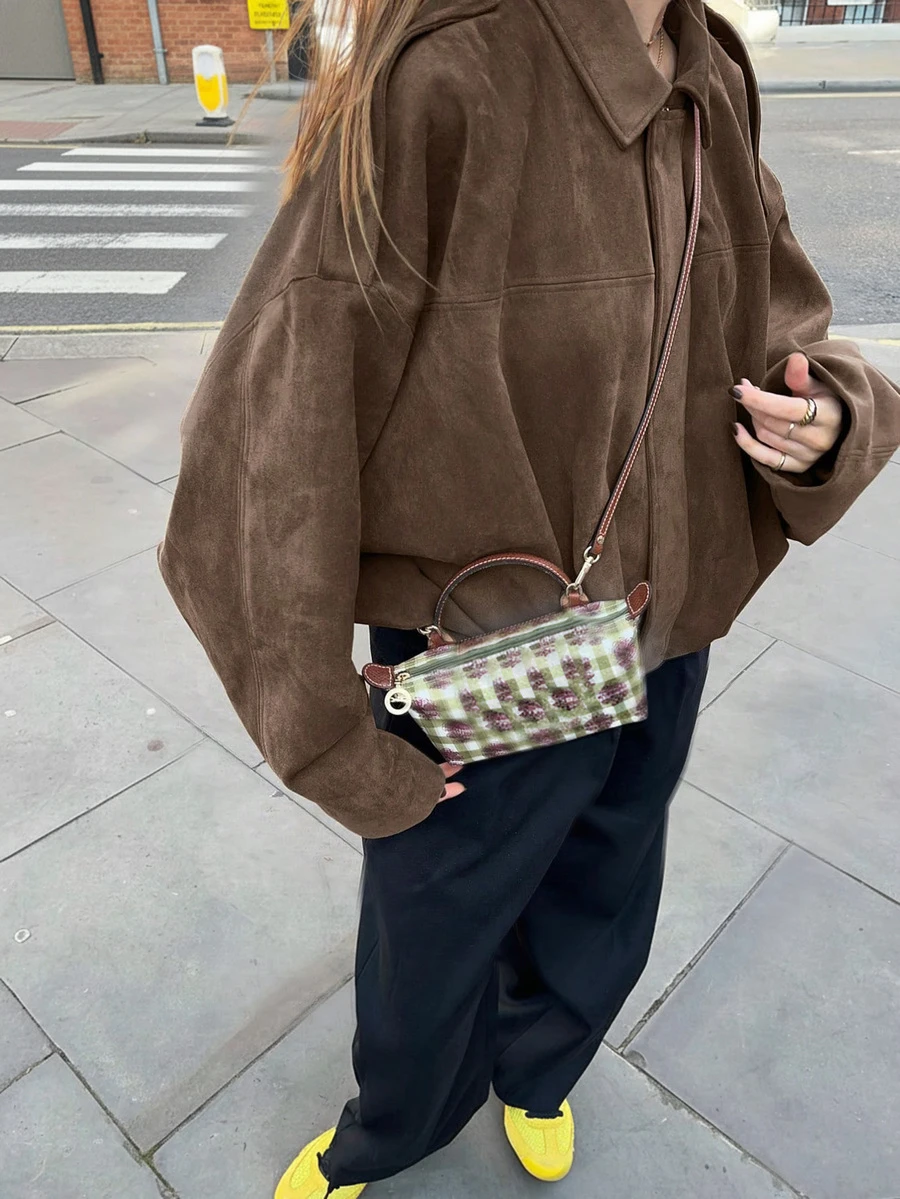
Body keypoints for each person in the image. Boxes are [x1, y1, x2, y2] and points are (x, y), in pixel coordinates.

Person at [158, 0, 900, 1193]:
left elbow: (776, 315)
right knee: (436, 917)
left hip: (667, 623)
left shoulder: (708, 69)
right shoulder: (447, 70)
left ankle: (540, 1067)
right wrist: (322, 733)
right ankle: (390, 1128)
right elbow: (269, 428)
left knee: (608, 879)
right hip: (483, 641)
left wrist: (828, 416)